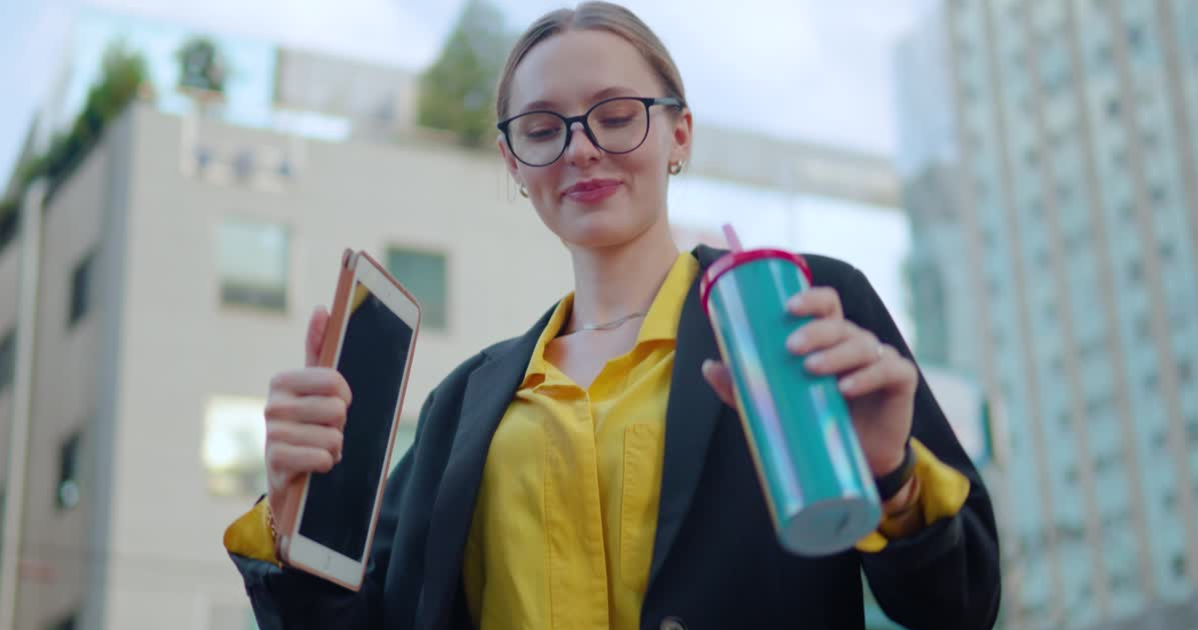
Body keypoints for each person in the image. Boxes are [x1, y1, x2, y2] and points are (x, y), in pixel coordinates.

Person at [223, 3, 1001, 629]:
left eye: (616, 114)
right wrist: (295, 511)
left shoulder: (797, 311)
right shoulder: (462, 407)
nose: (581, 148)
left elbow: (960, 606)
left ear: (679, 134)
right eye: (541, 128)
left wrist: (892, 482)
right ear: (515, 167)